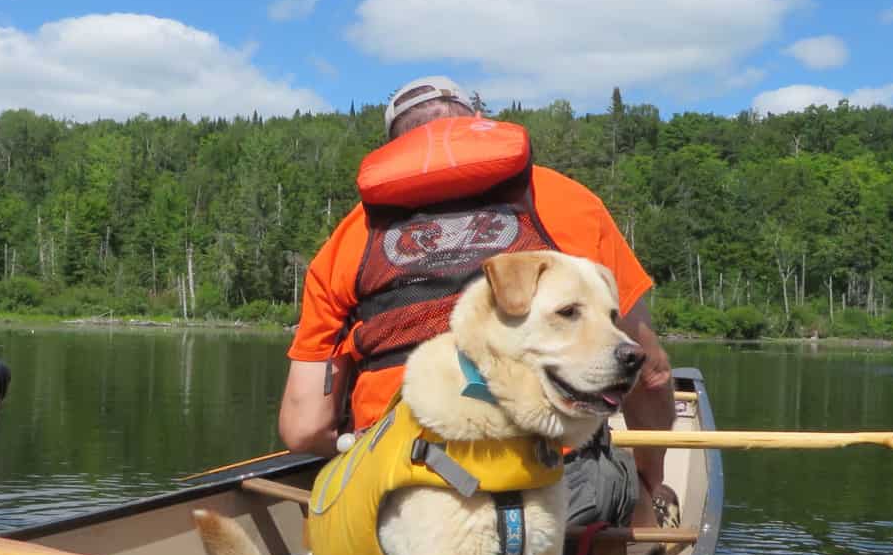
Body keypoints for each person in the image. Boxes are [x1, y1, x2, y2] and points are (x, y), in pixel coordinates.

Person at [279, 77, 675, 531]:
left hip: (400, 481)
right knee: (626, 482)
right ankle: (637, 531)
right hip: (554, 486)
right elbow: (653, 374)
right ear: (477, 126)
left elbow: (304, 427)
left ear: (396, 152)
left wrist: (363, 443)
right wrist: (650, 479)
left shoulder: (351, 236)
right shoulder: (566, 200)